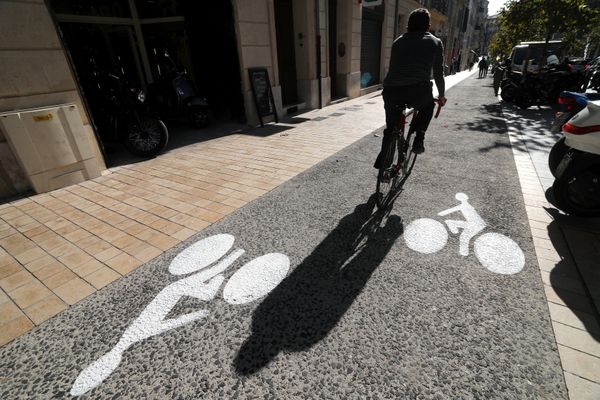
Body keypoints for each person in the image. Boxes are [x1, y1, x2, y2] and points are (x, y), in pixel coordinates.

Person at [374, 8, 446, 170]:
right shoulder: (435, 42)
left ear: (408, 25)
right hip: (418, 90)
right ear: (428, 26)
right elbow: (439, 74)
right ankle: (419, 137)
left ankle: (384, 161)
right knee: (428, 106)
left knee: (391, 127)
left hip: (391, 91)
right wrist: (441, 95)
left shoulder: (398, 41)